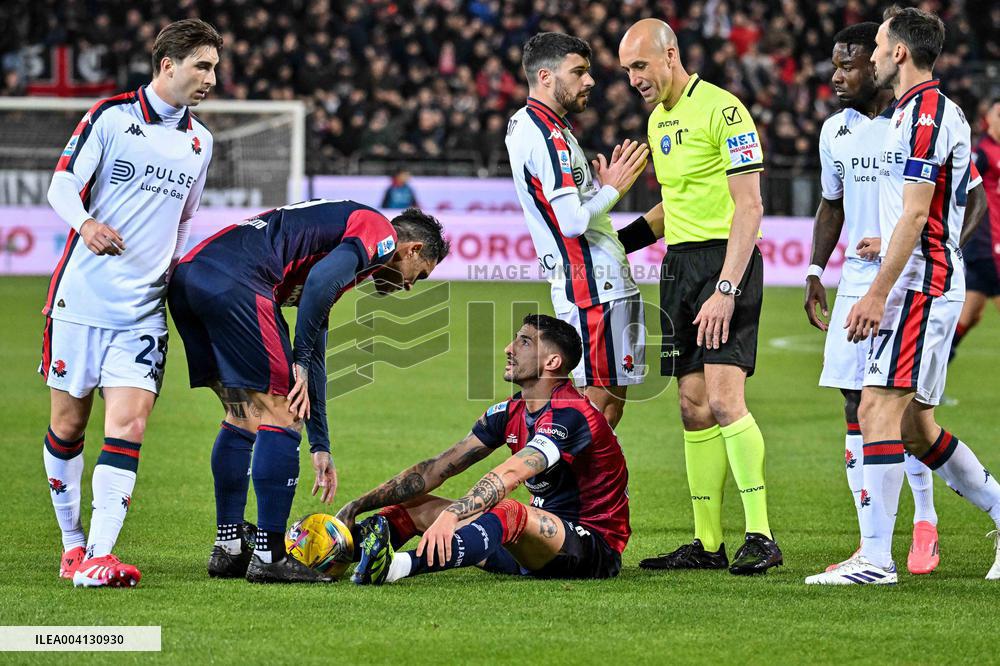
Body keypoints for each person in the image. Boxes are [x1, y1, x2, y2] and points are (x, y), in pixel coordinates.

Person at [807, 7, 1000, 585]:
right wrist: (883, 241)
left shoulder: (926, 117)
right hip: (917, 277)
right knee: (915, 428)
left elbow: (918, 215)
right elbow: (915, 212)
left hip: (920, 286)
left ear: (897, 53)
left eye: (878, 45)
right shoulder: (910, 113)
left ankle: (875, 560)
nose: (870, 57)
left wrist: (876, 293)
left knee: (875, 409)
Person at [167, 201, 449, 583]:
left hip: (190, 277)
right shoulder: (379, 231)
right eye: (421, 274)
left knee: (244, 414)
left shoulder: (336, 250)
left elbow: (316, 346)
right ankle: (269, 555)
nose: (410, 285)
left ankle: (229, 548)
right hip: (238, 281)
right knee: (285, 411)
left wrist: (320, 444)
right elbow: (317, 286)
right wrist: (297, 360)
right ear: (412, 249)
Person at [39, 18, 221, 588]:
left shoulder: (200, 142)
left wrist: (174, 270)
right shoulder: (111, 116)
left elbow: (185, 218)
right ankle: (72, 545)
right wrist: (87, 224)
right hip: (81, 301)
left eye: (214, 68)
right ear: (168, 65)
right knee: (68, 425)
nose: (211, 79)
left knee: (130, 425)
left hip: (142, 312)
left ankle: (99, 554)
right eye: (203, 66)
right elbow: (60, 185)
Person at [616, 18, 780, 574]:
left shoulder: (724, 110)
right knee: (691, 405)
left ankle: (761, 535)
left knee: (725, 398)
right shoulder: (658, 119)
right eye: (627, 70)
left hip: (725, 264)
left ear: (671, 55)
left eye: (641, 65)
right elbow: (673, 205)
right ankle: (707, 544)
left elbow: (750, 205)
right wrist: (617, 242)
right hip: (679, 268)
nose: (635, 79)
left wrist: (727, 288)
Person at [339, 314, 630, 584]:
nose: (509, 348)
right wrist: (357, 505)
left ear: (553, 361)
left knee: (510, 511)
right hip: (527, 545)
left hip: (590, 549)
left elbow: (511, 473)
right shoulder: (510, 411)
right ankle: (338, 551)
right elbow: (437, 468)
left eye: (524, 342)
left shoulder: (571, 413)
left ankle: (394, 567)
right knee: (416, 506)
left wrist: (453, 514)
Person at [506, 32, 649, 428]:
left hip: (592, 283)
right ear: (546, 77)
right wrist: (612, 189)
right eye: (579, 72)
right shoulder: (547, 135)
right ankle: (550, 471)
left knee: (602, 410)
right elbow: (571, 223)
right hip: (593, 287)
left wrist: (596, 191)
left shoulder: (530, 124)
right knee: (596, 412)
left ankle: (559, 469)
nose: (590, 81)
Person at [950, 99, 1000, 362]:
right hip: (987, 246)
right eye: (999, 114)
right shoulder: (982, 153)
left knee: (970, 316)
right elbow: (963, 188)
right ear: (988, 119)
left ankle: (929, 371)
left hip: (989, 248)